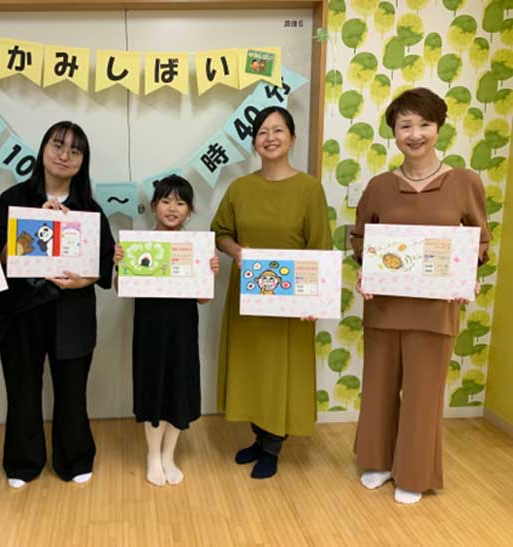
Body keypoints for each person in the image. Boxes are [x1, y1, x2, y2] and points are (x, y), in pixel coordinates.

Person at [351, 87, 491, 504]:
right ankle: (377, 462)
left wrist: (468, 272)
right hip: (384, 306)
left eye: (424, 124)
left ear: (439, 127)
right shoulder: (379, 186)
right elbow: (361, 238)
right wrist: (363, 269)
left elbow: (480, 240)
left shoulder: (464, 182)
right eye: (405, 125)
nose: (415, 134)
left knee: (423, 394)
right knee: (378, 387)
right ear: (394, 132)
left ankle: (413, 473)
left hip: (435, 308)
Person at [0, 121, 115, 488]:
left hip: (72, 311)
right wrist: (31, 225)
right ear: (42, 150)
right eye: (58, 145)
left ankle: (75, 458)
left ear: (83, 161)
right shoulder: (13, 198)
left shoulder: (89, 209)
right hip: (20, 309)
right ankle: (22, 462)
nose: (64, 155)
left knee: (72, 389)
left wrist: (84, 280)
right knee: (22, 388)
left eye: (75, 150)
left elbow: (104, 263)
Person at [210, 106, 332, 479]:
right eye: (262, 132)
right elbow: (220, 233)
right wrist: (238, 253)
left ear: (292, 138)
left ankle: (273, 448)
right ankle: (259, 437)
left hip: (292, 300)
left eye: (278, 130)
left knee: (282, 370)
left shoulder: (309, 188)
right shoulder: (240, 188)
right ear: (254, 142)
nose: (270, 137)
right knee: (253, 368)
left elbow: (321, 247)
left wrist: (315, 300)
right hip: (248, 297)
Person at [113, 176, 219, 486]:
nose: (173, 208)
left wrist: (209, 273)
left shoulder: (196, 247)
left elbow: (204, 298)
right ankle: (153, 456)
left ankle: (169, 455)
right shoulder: (139, 243)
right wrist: (121, 265)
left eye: (181, 203)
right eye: (166, 201)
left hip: (182, 329)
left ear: (189, 211)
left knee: (178, 389)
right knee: (153, 388)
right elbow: (120, 289)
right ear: (154, 205)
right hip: (150, 329)